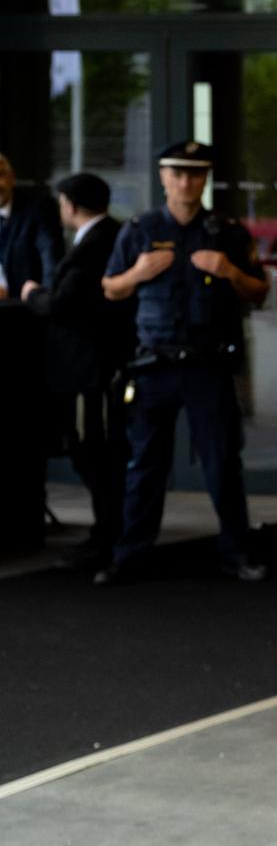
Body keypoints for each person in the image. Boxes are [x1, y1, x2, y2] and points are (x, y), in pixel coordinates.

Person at [98, 141, 269, 585]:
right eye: (177, 173)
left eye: (195, 173)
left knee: (222, 464)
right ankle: (129, 555)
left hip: (207, 367)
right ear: (162, 177)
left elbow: (259, 291)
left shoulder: (227, 231)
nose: (186, 181)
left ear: (205, 178)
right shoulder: (139, 228)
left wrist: (230, 270)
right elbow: (111, 289)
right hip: (154, 366)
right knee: (145, 465)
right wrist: (137, 273)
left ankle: (237, 554)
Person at [20, 173, 133, 571]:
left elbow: (65, 305)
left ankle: (109, 535)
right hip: (89, 368)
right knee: (95, 453)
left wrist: (32, 293)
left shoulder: (97, 244)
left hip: (90, 371)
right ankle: (108, 532)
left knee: (95, 454)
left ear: (70, 204)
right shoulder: (105, 238)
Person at [0, 151, 66, 551]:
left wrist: (38, 295)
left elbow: (50, 260)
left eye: (3, 173)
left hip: (19, 333)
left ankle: (22, 527)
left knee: (21, 430)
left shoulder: (36, 209)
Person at [0, 151, 64, 300]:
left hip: (24, 307)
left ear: (12, 177)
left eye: (1, 174)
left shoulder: (39, 208)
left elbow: (50, 255)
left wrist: (47, 300)